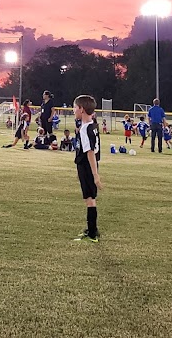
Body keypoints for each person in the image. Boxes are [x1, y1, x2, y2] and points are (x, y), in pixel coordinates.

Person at [72, 95, 102, 242]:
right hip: (87, 165)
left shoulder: (85, 129)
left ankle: (92, 232)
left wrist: (95, 174)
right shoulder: (92, 125)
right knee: (90, 198)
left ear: (82, 109)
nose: (73, 110)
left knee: (89, 199)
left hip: (87, 166)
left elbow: (90, 152)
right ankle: (92, 229)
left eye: (75, 107)